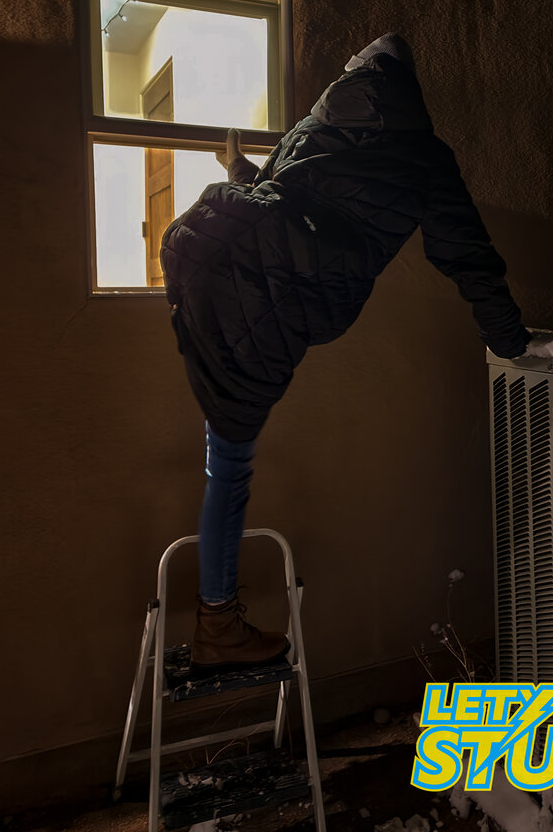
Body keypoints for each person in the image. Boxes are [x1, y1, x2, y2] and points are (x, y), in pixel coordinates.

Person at [160, 33, 532, 674]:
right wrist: (509, 340)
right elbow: (467, 255)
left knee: (225, 443)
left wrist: (239, 171)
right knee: (229, 464)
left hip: (205, 250)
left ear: (357, 77)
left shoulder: (317, 124)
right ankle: (217, 623)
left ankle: (218, 614)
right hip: (278, 298)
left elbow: (280, 195)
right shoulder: (425, 155)